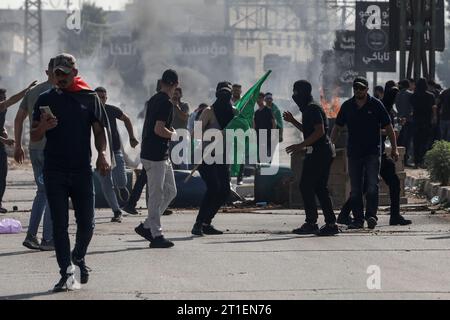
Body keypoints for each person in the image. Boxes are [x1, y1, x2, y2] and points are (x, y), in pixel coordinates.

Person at [31, 53, 111, 292]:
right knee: (59, 225)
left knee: (87, 224)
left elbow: (98, 131)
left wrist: (102, 154)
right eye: (57, 73)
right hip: (54, 170)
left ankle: (78, 255)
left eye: (65, 73)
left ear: (75, 73)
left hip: (81, 171)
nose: (61, 77)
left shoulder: (89, 98)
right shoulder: (44, 100)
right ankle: (66, 271)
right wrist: (43, 127)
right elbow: (34, 135)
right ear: (53, 75)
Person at [331, 77, 399, 230]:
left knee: (372, 186)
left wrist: (394, 148)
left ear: (367, 89)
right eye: (356, 88)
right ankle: (358, 219)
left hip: (372, 152)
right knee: (355, 189)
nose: (358, 91)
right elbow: (337, 126)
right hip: (354, 152)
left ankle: (371, 216)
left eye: (361, 88)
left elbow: (388, 127)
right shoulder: (348, 106)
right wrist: (331, 143)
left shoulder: (376, 104)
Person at [338, 86, 412, 226]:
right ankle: (347, 214)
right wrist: (386, 133)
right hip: (373, 153)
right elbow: (369, 128)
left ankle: (394, 216)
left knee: (387, 184)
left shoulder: (385, 108)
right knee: (365, 187)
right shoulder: (378, 106)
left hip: (380, 153)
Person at [284, 80, 338, 236]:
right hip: (320, 151)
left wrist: (300, 145)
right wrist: (293, 121)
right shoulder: (308, 108)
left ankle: (313, 222)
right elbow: (309, 129)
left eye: (296, 92)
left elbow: (319, 131)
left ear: (303, 93)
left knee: (307, 186)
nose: (294, 96)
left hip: (319, 152)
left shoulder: (313, 108)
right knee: (319, 187)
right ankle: (328, 223)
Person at [134, 69, 179, 249]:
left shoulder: (153, 100)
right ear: (175, 85)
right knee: (156, 195)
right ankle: (156, 234)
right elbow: (159, 129)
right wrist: (173, 135)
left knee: (171, 191)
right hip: (155, 156)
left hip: (158, 154)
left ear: (161, 83)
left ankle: (147, 226)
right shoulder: (166, 103)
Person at [15, 58, 55, 250]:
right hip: (50, 149)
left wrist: (18, 145)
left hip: (34, 147)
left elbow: (18, 119)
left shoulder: (32, 92)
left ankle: (32, 235)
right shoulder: (57, 93)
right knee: (52, 193)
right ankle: (48, 238)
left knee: (42, 191)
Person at [191, 82, 236, 236]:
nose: (225, 96)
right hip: (205, 156)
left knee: (224, 191)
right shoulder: (208, 112)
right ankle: (198, 224)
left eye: (227, 93)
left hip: (223, 157)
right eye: (222, 93)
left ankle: (206, 222)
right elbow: (195, 134)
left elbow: (245, 129)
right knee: (213, 188)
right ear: (216, 93)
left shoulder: (235, 112)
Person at [94, 87, 139, 223]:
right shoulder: (90, 111)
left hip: (115, 151)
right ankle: (116, 211)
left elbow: (126, 119)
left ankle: (121, 187)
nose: (101, 99)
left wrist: (131, 137)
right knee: (106, 184)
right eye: (98, 97)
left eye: (103, 97)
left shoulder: (111, 110)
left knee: (121, 180)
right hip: (98, 153)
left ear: (106, 98)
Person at [0, 81, 37, 213]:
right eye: (1, 98)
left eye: (4, 97)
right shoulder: (2, 106)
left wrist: (3, 130)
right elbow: (12, 100)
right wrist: (26, 90)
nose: (4, 100)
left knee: (2, 176)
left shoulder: (2, 109)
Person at [411, 78, 438, 168]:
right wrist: (434, 117)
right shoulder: (431, 96)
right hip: (426, 121)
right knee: (424, 142)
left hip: (416, 121)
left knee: (416, 142)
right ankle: (422, 161)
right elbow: (434, 107)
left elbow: (411, 108)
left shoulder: (413, 95)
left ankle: (416, 162)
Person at [396, 79, 414, 166]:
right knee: (407, 140)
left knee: (400, 140)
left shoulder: (398, 94)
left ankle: (399, 160)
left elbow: (397, 106)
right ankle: (406, 160)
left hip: (400, 120)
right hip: (409, 120)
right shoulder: (410, 94)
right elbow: (412, 107)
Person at [170, 87, 189, 169]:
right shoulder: (168, 105)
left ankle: (184, 179)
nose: (175, 95)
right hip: (170, 135)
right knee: (170, 159)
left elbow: (184, 117)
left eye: (177, 94)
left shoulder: (184, 105)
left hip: (181, 136)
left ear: (180, 95)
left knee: (182, 160)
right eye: (173, 93)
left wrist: (176, 106)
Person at [254, 92, 276, 162]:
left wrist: (273, 134)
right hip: (259, 137)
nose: (258, 100)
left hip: (268, 137)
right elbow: (255, 125)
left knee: (268, 156)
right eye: (257, 98)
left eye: (260, 98)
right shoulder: (256, 112)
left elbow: (273, 123)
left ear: (263, 99)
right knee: (260, 158)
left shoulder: (268, 110)